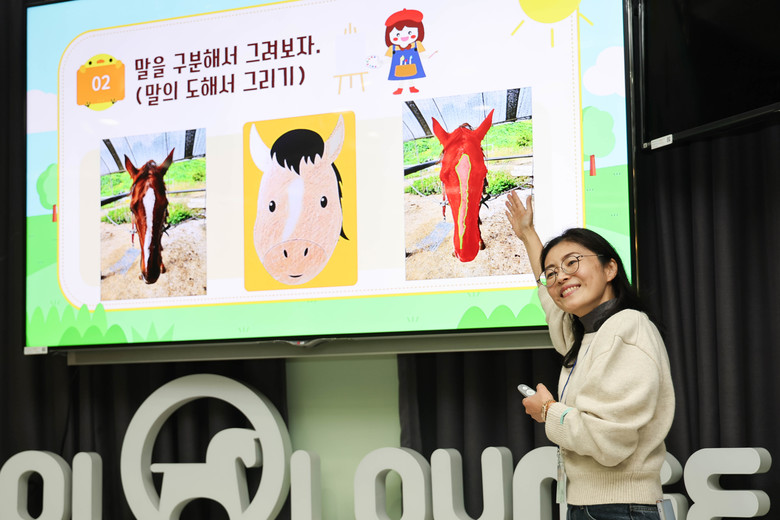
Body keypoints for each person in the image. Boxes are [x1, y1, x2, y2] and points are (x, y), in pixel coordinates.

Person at [505, 190, 675, 520]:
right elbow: (549, 299)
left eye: (572, 263)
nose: (561, 277)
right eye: (552, 272)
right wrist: (527, 234)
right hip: (593, 507)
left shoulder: (627, 328)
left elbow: (609, 442)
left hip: (620, 510)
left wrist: (548, 411)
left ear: (610, 268)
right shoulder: (588, 335)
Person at [384, 9, 426, 95]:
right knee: (401, 78)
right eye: (397, 34)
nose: (404, 36)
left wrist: (428, 56)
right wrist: (381, 62)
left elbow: (422, 54)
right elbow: (388, 59)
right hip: (399, 67)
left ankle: (412, 87)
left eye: (409, 32)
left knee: (411, 76)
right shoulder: (393, 48)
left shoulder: (417, 45)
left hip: (412, 66)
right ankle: (400, 88)